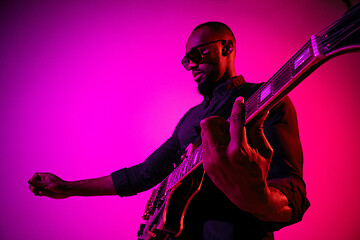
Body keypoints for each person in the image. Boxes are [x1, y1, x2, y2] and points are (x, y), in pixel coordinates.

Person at [29, 22, 310, 239]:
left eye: (198, 54)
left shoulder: (266, 98)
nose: (191, 66)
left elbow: (292, 190)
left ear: (227, 47)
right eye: (186, 61)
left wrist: (260, 200)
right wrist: (67, 187)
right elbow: (141, 175)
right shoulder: (190, 119)